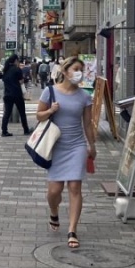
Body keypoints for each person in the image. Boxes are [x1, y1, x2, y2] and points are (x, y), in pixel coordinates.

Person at [36, 55, 96, 250]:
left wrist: (91, 145)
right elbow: (38, 116)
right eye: (75, 68)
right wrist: (51, 111)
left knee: (75, 188)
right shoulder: (50, 92)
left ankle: (72, 230)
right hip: (56, 145)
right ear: (65, 71)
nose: (79, 72)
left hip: (77, 145)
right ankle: (54, 211)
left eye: (81, 69)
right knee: (54, 191)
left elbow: (87, 124)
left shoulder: (85, 96)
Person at [0, 54, 31, 137]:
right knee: (22, 112)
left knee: (7, 113)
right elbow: (21, 81)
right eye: (18, 61)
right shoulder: (17, 70)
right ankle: (26, 130)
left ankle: (4, 131)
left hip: (7, 94)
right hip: (17, 94)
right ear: (15, 61)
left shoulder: (5, 70)